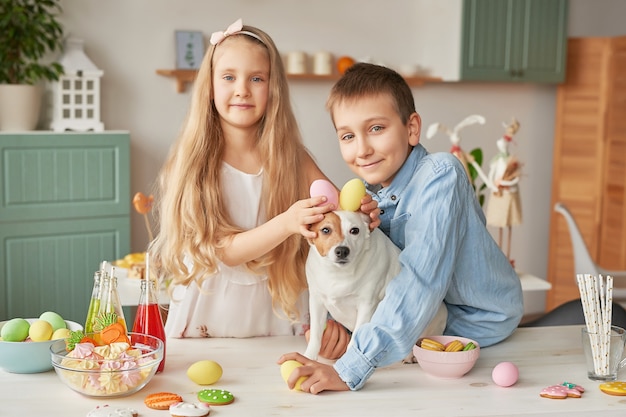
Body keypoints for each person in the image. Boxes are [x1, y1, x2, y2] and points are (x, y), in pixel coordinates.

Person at [279, 63, 524, 393]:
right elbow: (373, 276)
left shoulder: (440, 175)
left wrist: (352, 366)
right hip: (417, 325)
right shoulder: (370, 201)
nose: (362, 148)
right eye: (348, 136)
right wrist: (336, 329)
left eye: (376, 128)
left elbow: (419, 278)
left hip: (474, 325)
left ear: (412, 129)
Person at [149, 19, 377, 343]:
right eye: (229, 77)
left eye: (257, 78)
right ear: (210, 86)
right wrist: (287, 223)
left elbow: (337, 214)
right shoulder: (195, 164)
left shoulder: (292, 158)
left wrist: (360, 211)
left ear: (273, 89)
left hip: (277, 304)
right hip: (211, 308)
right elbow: (222, 252)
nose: (242, 89)